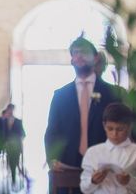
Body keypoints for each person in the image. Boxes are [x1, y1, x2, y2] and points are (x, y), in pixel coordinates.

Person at [45, 37, 122, 172]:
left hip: (105, 166)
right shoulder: (60, 96)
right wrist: (52, 159)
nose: (79, 56)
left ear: (96, 57)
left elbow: (122, 128)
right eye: (75, 53)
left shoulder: (114, 93)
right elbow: (52, 131)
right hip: (67, 165)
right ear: (72, 60)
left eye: (84, 52)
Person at [80, 103, 136, 193]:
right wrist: (93, 181)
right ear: (104, 126)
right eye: (110, 128)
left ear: (129, 127)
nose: (114, 134)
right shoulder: (92, 152)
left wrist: (129, 181)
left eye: (120, 129)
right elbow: (84, 188)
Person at [1, 104, 25, 182]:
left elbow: (23, 134)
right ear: (7, 110)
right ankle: (13, 178)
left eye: (12, 109)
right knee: (11, 163)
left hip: (16, 146)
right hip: (7, 146)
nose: (10, 111)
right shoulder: (3, 121)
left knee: (15, 162)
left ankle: (14, 179)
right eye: (9, 109)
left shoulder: (18, 121)